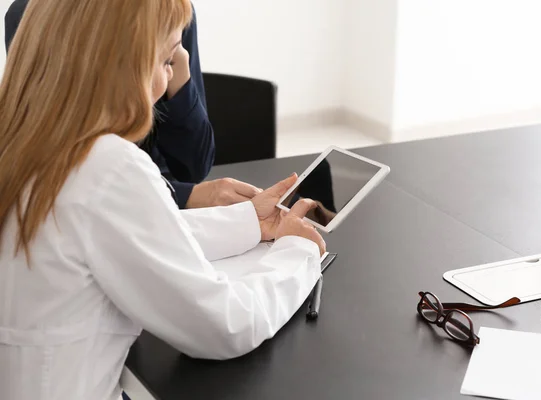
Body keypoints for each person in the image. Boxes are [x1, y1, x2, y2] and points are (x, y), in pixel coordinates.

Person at [0, 0, 326, 399]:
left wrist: (247, 223)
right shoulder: (107, 166)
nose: (167, 79)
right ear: (120, 64)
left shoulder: (26, 141)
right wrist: (298, 251)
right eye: (167, 61)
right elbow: (224, 326)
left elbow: (110, 231)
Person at [4, 0, 262, 210]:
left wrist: (177, 73)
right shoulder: (33, 13)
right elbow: (63, 170)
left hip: (150, 196)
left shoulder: (170, 9)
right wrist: (186, 196)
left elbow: (193, 166)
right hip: (111, 202)